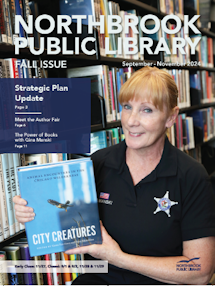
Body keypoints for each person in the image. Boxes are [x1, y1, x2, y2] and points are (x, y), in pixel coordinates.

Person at [13, 66, 215, 285]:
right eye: (127, 107)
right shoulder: (97, 163)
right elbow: (65, 224)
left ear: (171, 116)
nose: (131, 121)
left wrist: (120, 259)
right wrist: (33, 213)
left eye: (147, 110)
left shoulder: (191, 176)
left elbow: (200, 270)